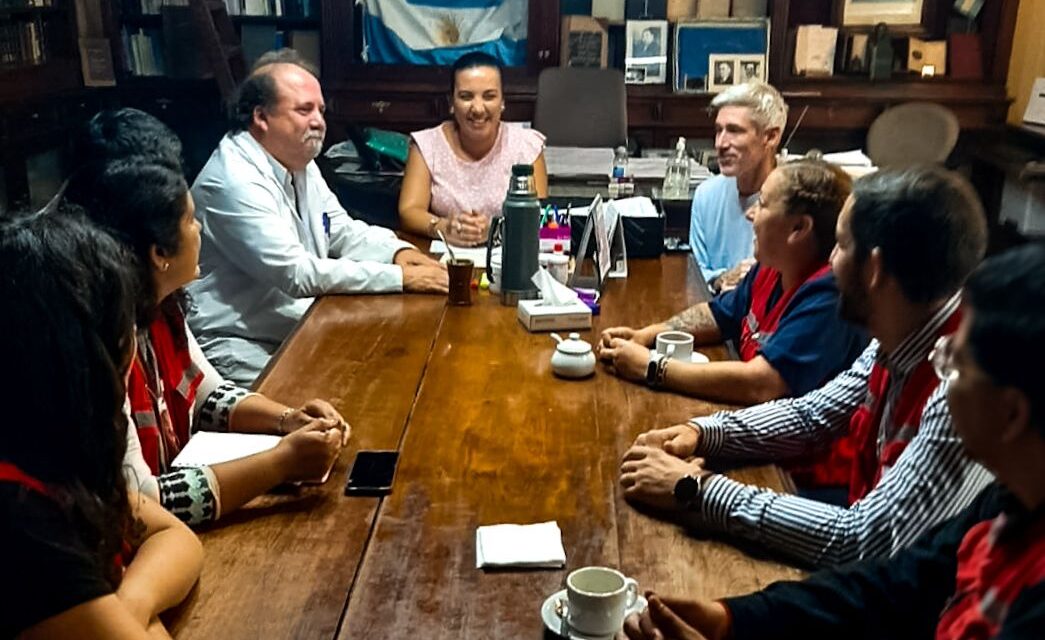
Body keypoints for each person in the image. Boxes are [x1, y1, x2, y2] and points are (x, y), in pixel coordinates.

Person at [618, 243, 1045, 640]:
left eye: (957, 364)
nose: (943, 370)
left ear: (1011, 414)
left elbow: (864, 541)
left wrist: (699, 490)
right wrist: (733, 619)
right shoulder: (1007, 505)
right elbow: (891, 585)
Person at [620, 167, 993, 568]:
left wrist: (694, 489)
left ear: (875, 270)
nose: (830, 261)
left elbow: (860, 540)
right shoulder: (903, 334)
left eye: (841, 246)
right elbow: (814, 415)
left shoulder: (961, 392)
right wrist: (704, 433)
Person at [71, 158, 347, 527]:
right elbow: (142, 504)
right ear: (159, 254)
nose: (199, 229)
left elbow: (207, 395)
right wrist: (281, 463)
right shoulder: (109, 340)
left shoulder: (163, 306)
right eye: (190, 220)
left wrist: (287, 420)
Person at [188, 48, 448, 386]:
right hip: (241, 342)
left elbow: (339, 230)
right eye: (304, 109)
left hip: (298, 322)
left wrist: (400, 252)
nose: (319, 121)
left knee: (397, 371)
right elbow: (297, 273)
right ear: (260, 117)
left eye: (321, 110)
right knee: (342, 409)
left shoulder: (298, 160)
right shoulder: (232, 178)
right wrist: (401, 277)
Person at [0, 208, 203, 638]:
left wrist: (125, 607)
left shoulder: (53, 449)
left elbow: (176, 537)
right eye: (127, 323)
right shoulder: (19, 517)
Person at [597, 159, 868, 406]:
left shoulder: (829, 293)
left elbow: (761, 384)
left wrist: (652, 367)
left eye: (762, 204)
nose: (750, 214)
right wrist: (647, 335)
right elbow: (720, 314)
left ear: (799, 228)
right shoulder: (772, 267)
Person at [398, 51, 548, 246]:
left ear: (502, 102)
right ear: (452, 103)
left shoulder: (526, 146)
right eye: (466, 97)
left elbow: (541, 219)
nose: (478, 109)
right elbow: (409, 211)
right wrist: (442, 227)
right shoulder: (427, 145)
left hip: (509, 259)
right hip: (444, 261)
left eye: (489, 96)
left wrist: (497, 230)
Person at [690, 81, 786, 291]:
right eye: (718, 130)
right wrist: (722, 279)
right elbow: (696, 271)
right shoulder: (706, 195)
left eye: (734, 131)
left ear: (770, 137)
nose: (720, 144)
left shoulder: (791, 203)